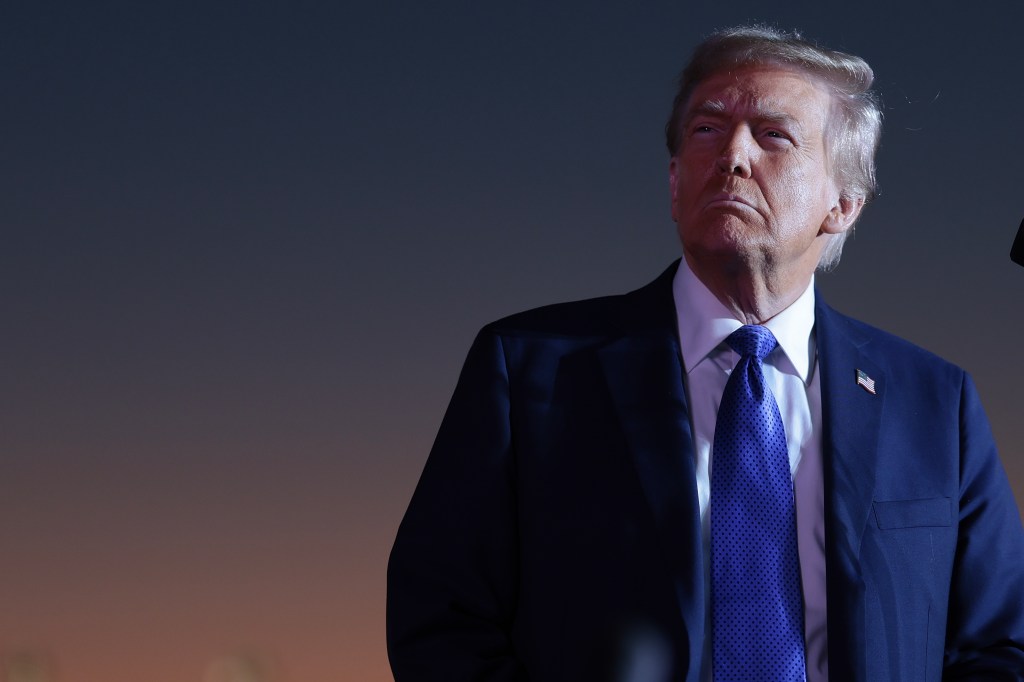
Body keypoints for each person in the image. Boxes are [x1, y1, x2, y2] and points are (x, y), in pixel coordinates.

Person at [386, 26, 1024, 681]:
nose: (733, 155)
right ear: (672, 183)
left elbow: (1002, 644)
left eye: (773, 134)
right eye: (707, 130)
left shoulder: (937, 403)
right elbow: (441, 620)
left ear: (843, 205)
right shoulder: (527, 372)